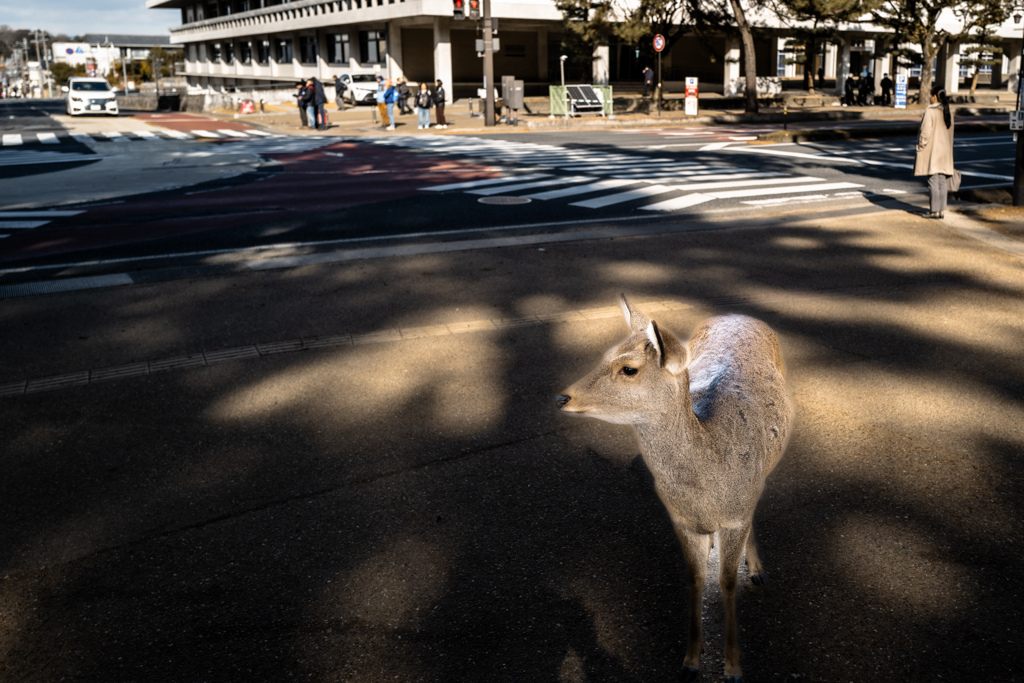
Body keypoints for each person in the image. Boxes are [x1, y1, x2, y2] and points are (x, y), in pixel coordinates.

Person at [914, 85, 955, 219]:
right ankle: (941, 210)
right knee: (942, 181)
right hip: (945, 152)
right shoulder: (948, 111)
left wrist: (920, 146)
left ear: (935, 97)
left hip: (933, 151)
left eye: (931, 95)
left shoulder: (930, 111)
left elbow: (925, 132)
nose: (930, 98)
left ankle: (934, 211)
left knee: (932, 180)